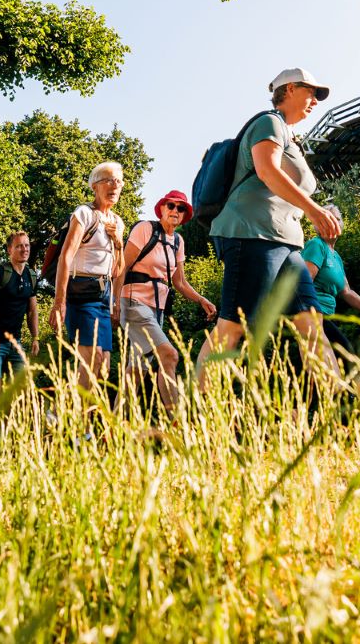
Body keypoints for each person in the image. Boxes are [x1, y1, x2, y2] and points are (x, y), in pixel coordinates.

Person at [195, 68, 345, 389]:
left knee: (312, 327)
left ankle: (337, 415)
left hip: (287, 243)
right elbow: (266, 170)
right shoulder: (269, 123)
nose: (315, 102)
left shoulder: (290, 137)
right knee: (232, 328)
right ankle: (193, 417)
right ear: (289, 89)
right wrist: (315, 210)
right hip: (251, 234)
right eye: (311, 93)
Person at [117, 190, 218, 409]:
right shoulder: (145, 229)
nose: (175, 211)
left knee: (137, 370)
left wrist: (201, 299)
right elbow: (122, 267)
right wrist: (113, 304)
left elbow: (179, 281)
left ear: (184, 215)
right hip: (133, 303)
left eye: (180, 208)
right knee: (170, 356)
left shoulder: (178, 242)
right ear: (162, 208)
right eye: (170, 206)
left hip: (157, 311)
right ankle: (177, 420)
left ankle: (112, 428)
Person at [54, 162, 127, 391]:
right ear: (94, 187)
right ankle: (64, 417)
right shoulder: (83, 214)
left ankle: (70, 416)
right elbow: (65, 256)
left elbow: (118, 270)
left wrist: (118, 242)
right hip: (81, 293)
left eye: (118, 181)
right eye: (108, 180)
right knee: (91, 358)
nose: (114, 185)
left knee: (103, 366)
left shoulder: (118, 222)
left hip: (103, 297)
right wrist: (59, 302)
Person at [300, 205, 360, 357]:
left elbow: (346, 292)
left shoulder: (336, 257)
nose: (335, 222)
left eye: (338, 219)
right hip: (315, 315)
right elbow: (304, 282)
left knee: (335, 359)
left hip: (329, 315)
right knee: (346, 353)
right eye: (330, 219)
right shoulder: (316, 245)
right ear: (318, 224)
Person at [0, 230, 41, 402]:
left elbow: (32, 310)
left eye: (26, 245)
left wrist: (35, 337)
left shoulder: (31, 276)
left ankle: (8, 428)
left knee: (22, 392)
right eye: (19, 246)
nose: (24, 249)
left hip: (15, 342)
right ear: (9, 250)